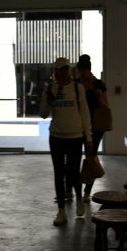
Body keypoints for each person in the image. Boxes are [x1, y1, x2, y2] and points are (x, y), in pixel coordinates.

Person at [40, 57, 94, 226]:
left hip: (75, 136)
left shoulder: (77, 88)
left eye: (65, 69)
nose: (63, 72)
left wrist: (89, 137)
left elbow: (85, 113)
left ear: (69, 70)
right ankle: (61, 211)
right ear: (55, 71)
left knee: (74, 172)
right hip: (56, 136)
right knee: (58, 173)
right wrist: (48, 101)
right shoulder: (50, 88)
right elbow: (43, 114)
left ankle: (78, 199)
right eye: (60, 69)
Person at [75, 54, 109, 202]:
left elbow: (106, 106)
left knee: (90, 158)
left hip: (95, 126)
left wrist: (98, 96)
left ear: (89, 70)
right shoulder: (75, 84)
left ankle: (87, 192)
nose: (81, 74)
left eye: (83, 71)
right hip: (78, 125)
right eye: (79, 71)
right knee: (74, 158)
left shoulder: (98, 84)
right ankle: (73, 189)